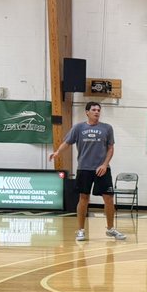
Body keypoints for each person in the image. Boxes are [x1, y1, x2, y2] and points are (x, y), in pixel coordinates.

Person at [50, 100, 126, 243]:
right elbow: (67, 142)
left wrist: (104, 164)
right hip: (84, 168)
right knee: (83, 199)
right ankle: (81, 230)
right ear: (87, 112)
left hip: (102, 169)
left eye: (98, 110)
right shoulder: (78, 128)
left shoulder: (107, 128)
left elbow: (110, 148)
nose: (97, 112)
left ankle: (110, 229)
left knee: (109, 199)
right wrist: (57, 152)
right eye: (94, 110)